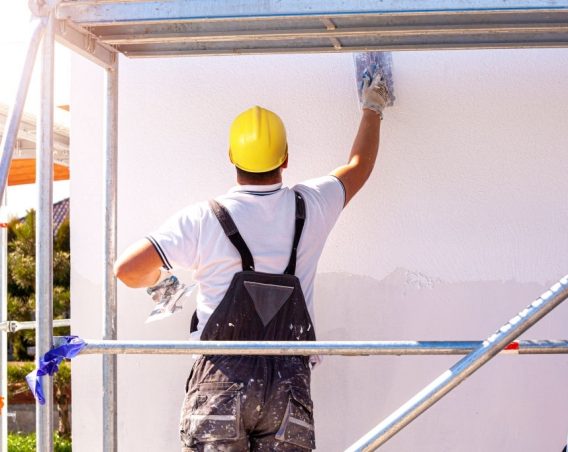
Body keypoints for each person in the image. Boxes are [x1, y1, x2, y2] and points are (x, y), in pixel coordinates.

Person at [114, 71, 390, 451]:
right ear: (286, 158)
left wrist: (163, 280)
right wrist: (372, 107)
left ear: (232, 157)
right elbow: (359, 166)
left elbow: (126, 270)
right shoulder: (313, 204)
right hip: (288, 384)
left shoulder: (202, 218)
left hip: (219, 382)